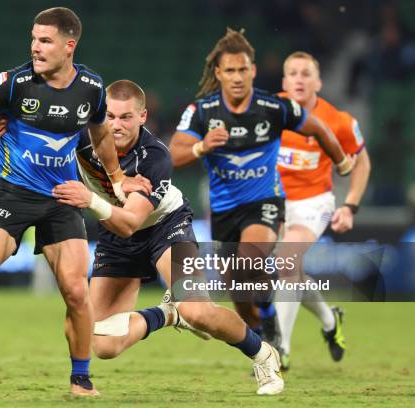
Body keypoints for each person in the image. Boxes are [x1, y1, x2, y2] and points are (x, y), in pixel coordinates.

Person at [0, 7, 149, 397]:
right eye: (33, 39)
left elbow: (102, 135)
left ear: (69, 46)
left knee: (75, 290)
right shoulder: (13, 83)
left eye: (45, 41)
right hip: (11, 192)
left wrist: (117, 178)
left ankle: (81, 377)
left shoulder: (91, 88)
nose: (35, 47)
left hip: (61, 197)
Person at [44, 79, 284, 395]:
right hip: (116, 236)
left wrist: (89, 200)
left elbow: (131, 221)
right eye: (111, 116)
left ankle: (263, 354)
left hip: (165, 226)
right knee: (103, 344)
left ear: (142, 117)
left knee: (198, 311)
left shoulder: (156, 157)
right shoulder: (82, 140)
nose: (116, 126)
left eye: (126, 117)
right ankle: (167, 314)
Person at [169, 28, 354, 349]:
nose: (237, 77)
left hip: (265, 204)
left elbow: (319, 127)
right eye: (230, 70)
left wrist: (341, 161)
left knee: (249, 260)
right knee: (239, 295)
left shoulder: (273, 108)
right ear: (219, 73)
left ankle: (271, 319)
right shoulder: (202, 112)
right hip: (225, 212)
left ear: (253, 71)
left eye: (243, 69)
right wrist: (201, 148)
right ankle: (265, 348)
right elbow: (173, 153)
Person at [274, 51, 371, 370]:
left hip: (312, 203)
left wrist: (350, 205)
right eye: (293, 73)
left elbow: (362, 162)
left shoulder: (339, 121)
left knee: (286, 260)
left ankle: (280, 350)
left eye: (306, 73)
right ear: (284, 81)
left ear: (318, 81)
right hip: (271, 203)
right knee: (292, 271)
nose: (299, 79)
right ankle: (331, 321)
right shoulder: (267, 110)